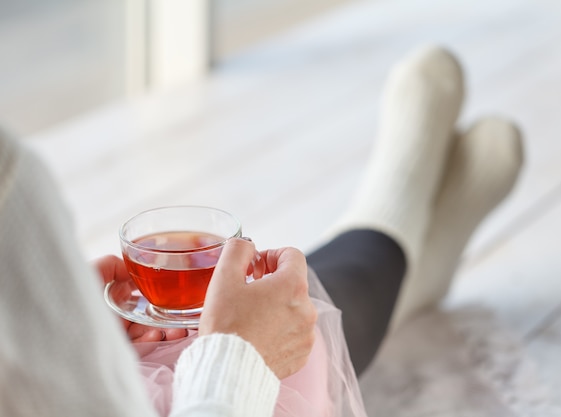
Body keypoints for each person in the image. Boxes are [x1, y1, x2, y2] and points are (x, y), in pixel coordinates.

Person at [0, 44, 523, 416]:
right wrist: (239, 358)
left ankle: (411, 256)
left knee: (264, 332)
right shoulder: (11, 178)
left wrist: (59, 339)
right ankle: (392, 213)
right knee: (301, 335)